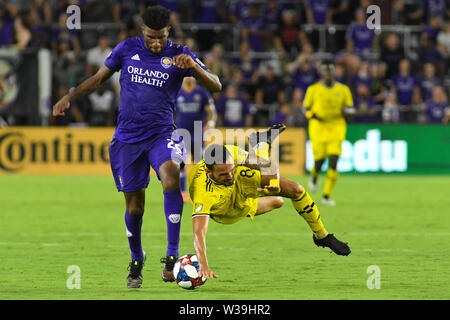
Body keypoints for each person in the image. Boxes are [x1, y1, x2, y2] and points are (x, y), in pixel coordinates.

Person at [52, 5, 222, 289]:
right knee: (134, 209)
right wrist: (69, 97)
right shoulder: (126, 49)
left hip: (161, 135)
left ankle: (171, 257)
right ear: (143, 31)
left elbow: (216, 85)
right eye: (151, 37)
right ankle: (136, 258)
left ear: (169, 33)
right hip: (127, 140)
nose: (156, 43)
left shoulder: (180, 54)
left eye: (162, 38)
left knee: (171, 176)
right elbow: (97, 79)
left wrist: (193, 66)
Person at [188, 125, 351, 279]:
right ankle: (261, 144)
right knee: (278, 202)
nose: (229, 176)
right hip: (229, 211)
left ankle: (322, 236)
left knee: (296, 189)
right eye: (224, 174)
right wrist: (203, 265)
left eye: (231, 170)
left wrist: (273, 184)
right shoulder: (204, 192)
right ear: (209, 172)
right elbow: (199, 233)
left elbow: (268, 165)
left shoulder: (231, 154)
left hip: (242, 182)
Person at [303, 60, 354, 206]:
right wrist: (311, 115)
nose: (328, 73)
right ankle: (314, 176)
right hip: (318, 128)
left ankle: (326, 196)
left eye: (330, 70)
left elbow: (350, 108)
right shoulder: (313, 89)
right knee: (319, 162)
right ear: (321, 73)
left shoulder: (343, 90)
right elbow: (305, 109)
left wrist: (347, 111)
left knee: (333, 161)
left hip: (336, 128)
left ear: (334, 71)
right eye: (325, 71)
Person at [175, 77, 217, 202]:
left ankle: (201, 191)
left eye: (191, 75)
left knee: (200, 164)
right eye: (186, 75)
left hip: (197, 132)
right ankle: (182, 192)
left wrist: (211, 122)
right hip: (181, 132)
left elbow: (211, 111)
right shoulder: (177, 92)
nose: (188, 77)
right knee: (179, 164)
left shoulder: (202, 93)